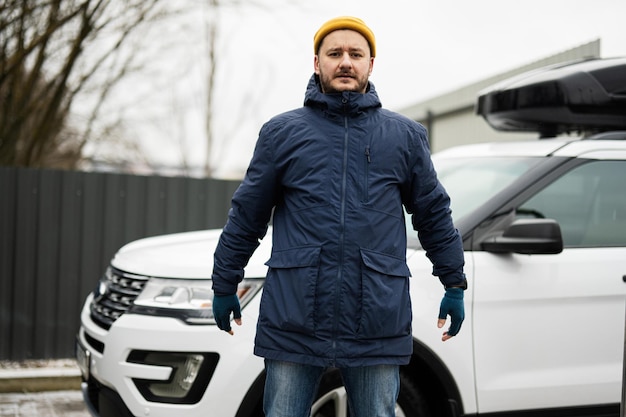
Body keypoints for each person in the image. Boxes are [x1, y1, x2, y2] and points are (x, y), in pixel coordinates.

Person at [211, 15, 466, 417]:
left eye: (355, 54)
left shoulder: (404, 137)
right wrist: (225, 281)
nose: (345, 61)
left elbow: (433, 214)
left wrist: (453, 281)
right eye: (335, 53)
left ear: (370, 64)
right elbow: (247, 215)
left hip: (376, 317)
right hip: (295, 313)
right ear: (317, 63)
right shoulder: (281, 134)